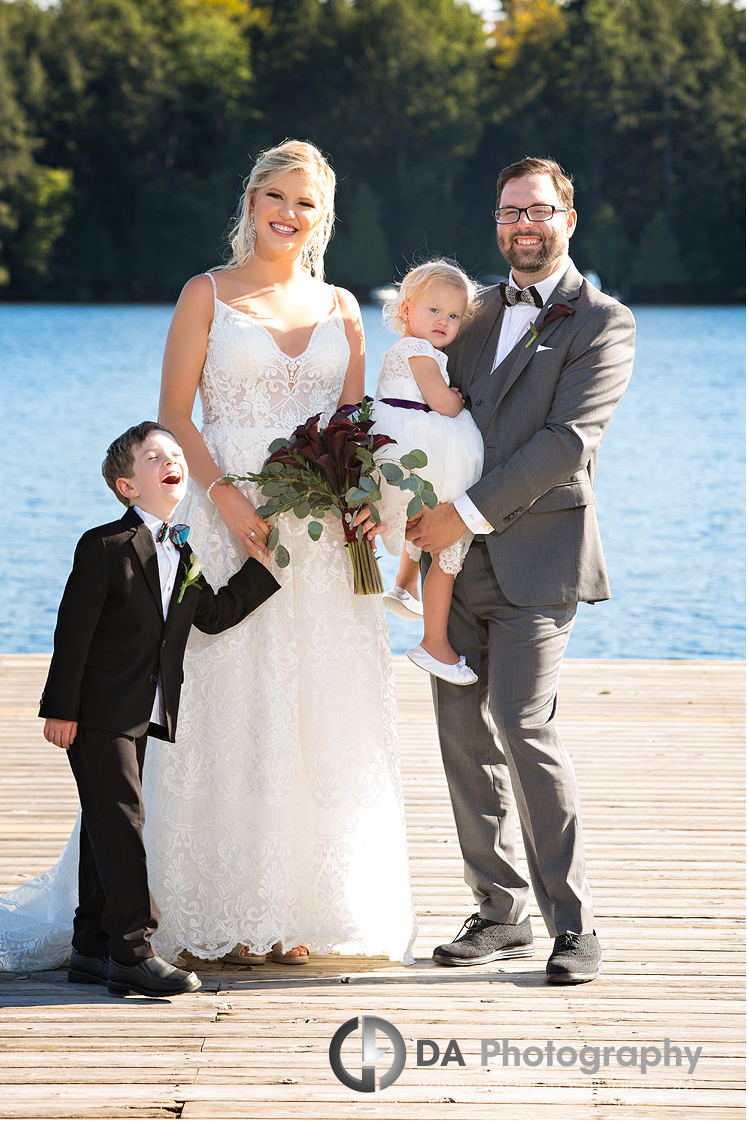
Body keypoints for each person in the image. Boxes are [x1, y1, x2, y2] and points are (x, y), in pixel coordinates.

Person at [149, 138, 417, 965]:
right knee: (228, 704)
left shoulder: (341, 306)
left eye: (305, 202)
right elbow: (174, 416)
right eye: (276, 194)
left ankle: (297, 909)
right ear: (251, 200)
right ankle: (215, 906)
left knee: (317, 708)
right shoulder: (207, 294)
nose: (288, 213)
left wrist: (364, 499)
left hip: (325, 541)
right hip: (231, 523)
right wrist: (226, 498)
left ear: (321, 216)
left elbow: (352, 429)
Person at [406, 157, 635, 984]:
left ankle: (571, 926)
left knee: (522, 726)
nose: (522, 225)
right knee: (463, 739)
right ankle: (496, 912)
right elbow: (429, 420)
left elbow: (566, 444)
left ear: (566, 218)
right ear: (496, 223)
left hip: (538, 564)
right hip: (448, 567)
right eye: (509, 213)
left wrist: (460, 513)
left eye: (538, 210)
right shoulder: (470, 313)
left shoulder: (602, 322)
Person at [44, 422, 280, 997]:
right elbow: (73, 630)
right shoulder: (103, 546)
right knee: (123, 820)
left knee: (108, 820)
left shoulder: (182, 548)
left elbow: (213, 616)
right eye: (154, 457)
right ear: (128, 486)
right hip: (97, 710)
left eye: (176, 454)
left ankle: (91, 947)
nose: (171, 460)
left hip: (141, 711)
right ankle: (132, 949)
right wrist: (60, 706)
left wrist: (263, 565)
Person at [372, 260, 484, 686]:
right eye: (433, 311)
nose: (444, 321)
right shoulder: (419, 351)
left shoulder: (404, 349)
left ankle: (403, 584)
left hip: (400, 449)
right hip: (418, 446)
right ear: (406, 312)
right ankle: (434, 642)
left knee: (419, 516)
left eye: (454, 315)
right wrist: (458, 401)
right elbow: (442, 404)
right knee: (449, 545)